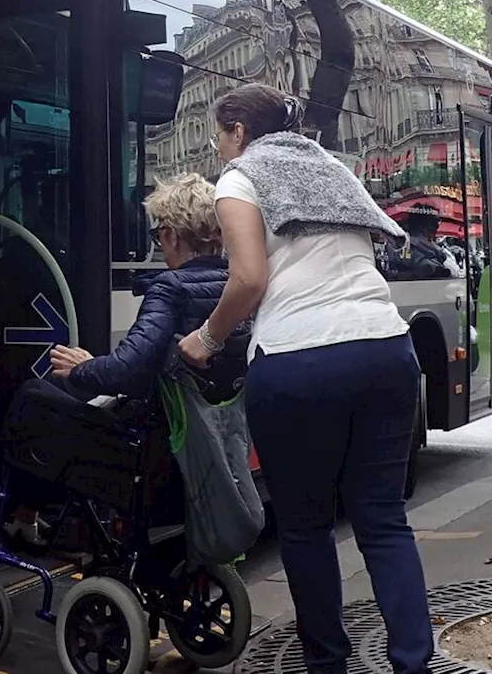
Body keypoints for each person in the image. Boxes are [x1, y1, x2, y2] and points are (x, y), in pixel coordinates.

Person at [179, 83, 432, 674]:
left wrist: (207, 338)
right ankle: (413, 664)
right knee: (383, 521)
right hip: (385, 349)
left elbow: (246, 279)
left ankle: (327, 664)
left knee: (306, 527)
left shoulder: (241, 177)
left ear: (239, 131)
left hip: (299, 360)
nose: (220, 147)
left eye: (220, 134)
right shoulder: (332, 169)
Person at [0, 172, 244, 552]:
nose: (161, 244)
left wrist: (81, 367)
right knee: (56, 402)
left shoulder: (169, 290)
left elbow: (126, 370)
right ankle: (22, 518)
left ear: (173, 235)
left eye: (159, 236)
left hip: (143, 444)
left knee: (34, 399)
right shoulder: (230, 287)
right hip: (185, 444)